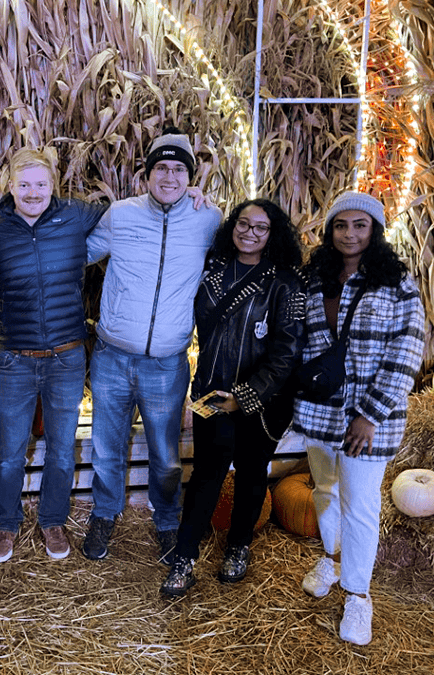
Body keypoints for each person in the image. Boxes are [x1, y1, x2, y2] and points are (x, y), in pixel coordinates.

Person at [82, 128, 223, 565]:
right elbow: (76, 254)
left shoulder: (209, 219)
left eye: (179, 169)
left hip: (166, 363)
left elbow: (250, 245)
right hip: (111, 356)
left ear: (190, 177)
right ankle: (104, 513)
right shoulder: (119, 216)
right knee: (107, 447)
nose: (169, 176)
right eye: (160, 167)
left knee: (165, 456)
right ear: (146, 175)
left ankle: (166, 521)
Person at [291, 191, 425, 645]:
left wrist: (369, 415)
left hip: (370, 417)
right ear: (330, 231)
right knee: (325, 491)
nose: (350, 233)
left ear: (375, 230)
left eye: (360, 225)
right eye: (341, 225)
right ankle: (331, 557)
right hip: (318, 411)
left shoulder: (396, 281)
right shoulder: (314, 278)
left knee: (361, 505)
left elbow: (406, 351)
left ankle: (358, 596)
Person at [159, 198, 305, 596]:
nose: (250, 233)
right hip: (211, 391)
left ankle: (238, 547)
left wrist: (246, 395)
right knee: (206, 475)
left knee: (252, 474)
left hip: (262, 402)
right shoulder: (211, 270)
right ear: (232, 226)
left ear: (273, 234)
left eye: (261, 227)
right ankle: (184, 558)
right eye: (244, 224)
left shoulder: (285, 283)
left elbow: (287, 352)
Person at [0, 147, 108, 563]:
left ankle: (52, 519)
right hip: (14, 359)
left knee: (59, 447)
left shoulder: (76, 215)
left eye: (41, 183)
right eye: (24, 184)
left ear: (53, 184)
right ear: (10, 186)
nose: (33, 192)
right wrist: (5, 324)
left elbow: (124, 214)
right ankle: (7, 523)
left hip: (67, 357)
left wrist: (193, 197)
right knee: (11, 450)